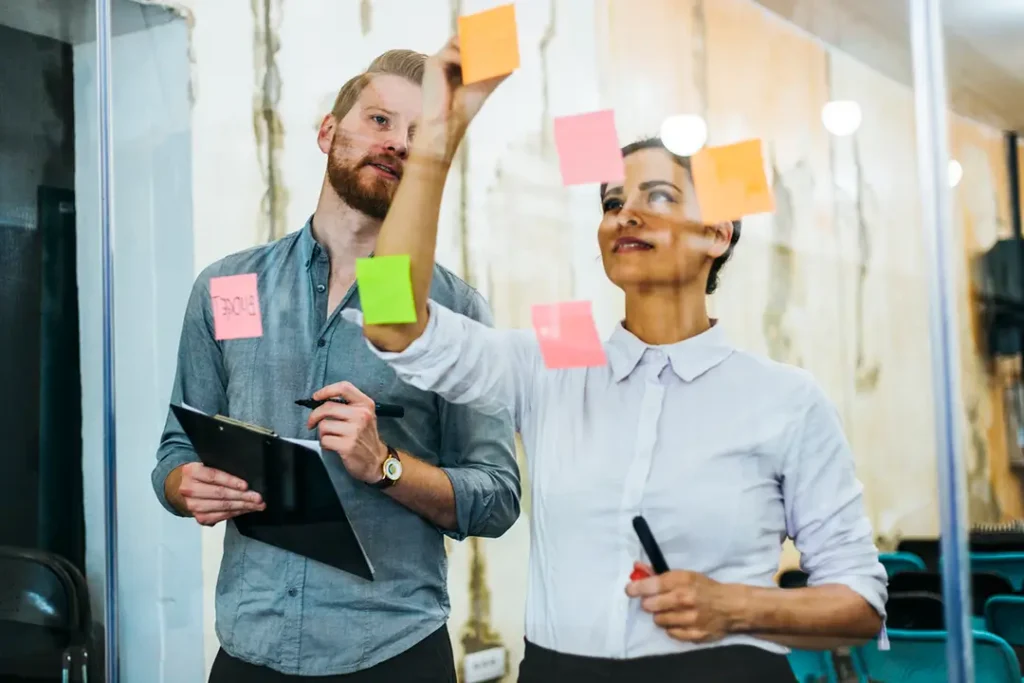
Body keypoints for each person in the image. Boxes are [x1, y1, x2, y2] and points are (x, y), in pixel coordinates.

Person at [337, 37, 888, 683]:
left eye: (656, 196)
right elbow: (391, 320)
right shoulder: (554, 364)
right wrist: (433, 142)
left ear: (717, 231)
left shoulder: (784, 397)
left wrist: (736, 606)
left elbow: (861, 603)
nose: (623, 212)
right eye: (609, 201)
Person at [152, 49, 520, 683]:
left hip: (392, 652)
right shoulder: (228, 286)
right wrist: (184, 486)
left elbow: (497, 497)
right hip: (249, 648)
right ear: (328, 132)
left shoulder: (453, 313)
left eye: (417, 133)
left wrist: (387, 466)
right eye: (380, 120)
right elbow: (175, 448)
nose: (398, 144)